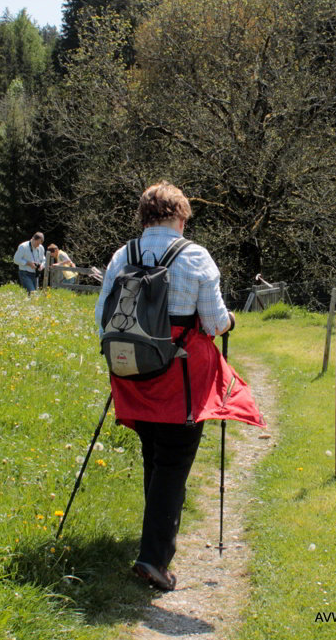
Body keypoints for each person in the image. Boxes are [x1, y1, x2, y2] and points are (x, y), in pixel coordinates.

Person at [95, 181, 265, 591]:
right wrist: (231, 323)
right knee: (172, 464)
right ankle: (153, 558)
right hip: (180, 381)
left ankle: (153, 544)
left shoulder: (124, 255)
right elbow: (214, 321)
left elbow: (102, 316)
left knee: (153, 454)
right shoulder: (194, 257)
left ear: (143, 216)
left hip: (132, 373)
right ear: (181, 216)